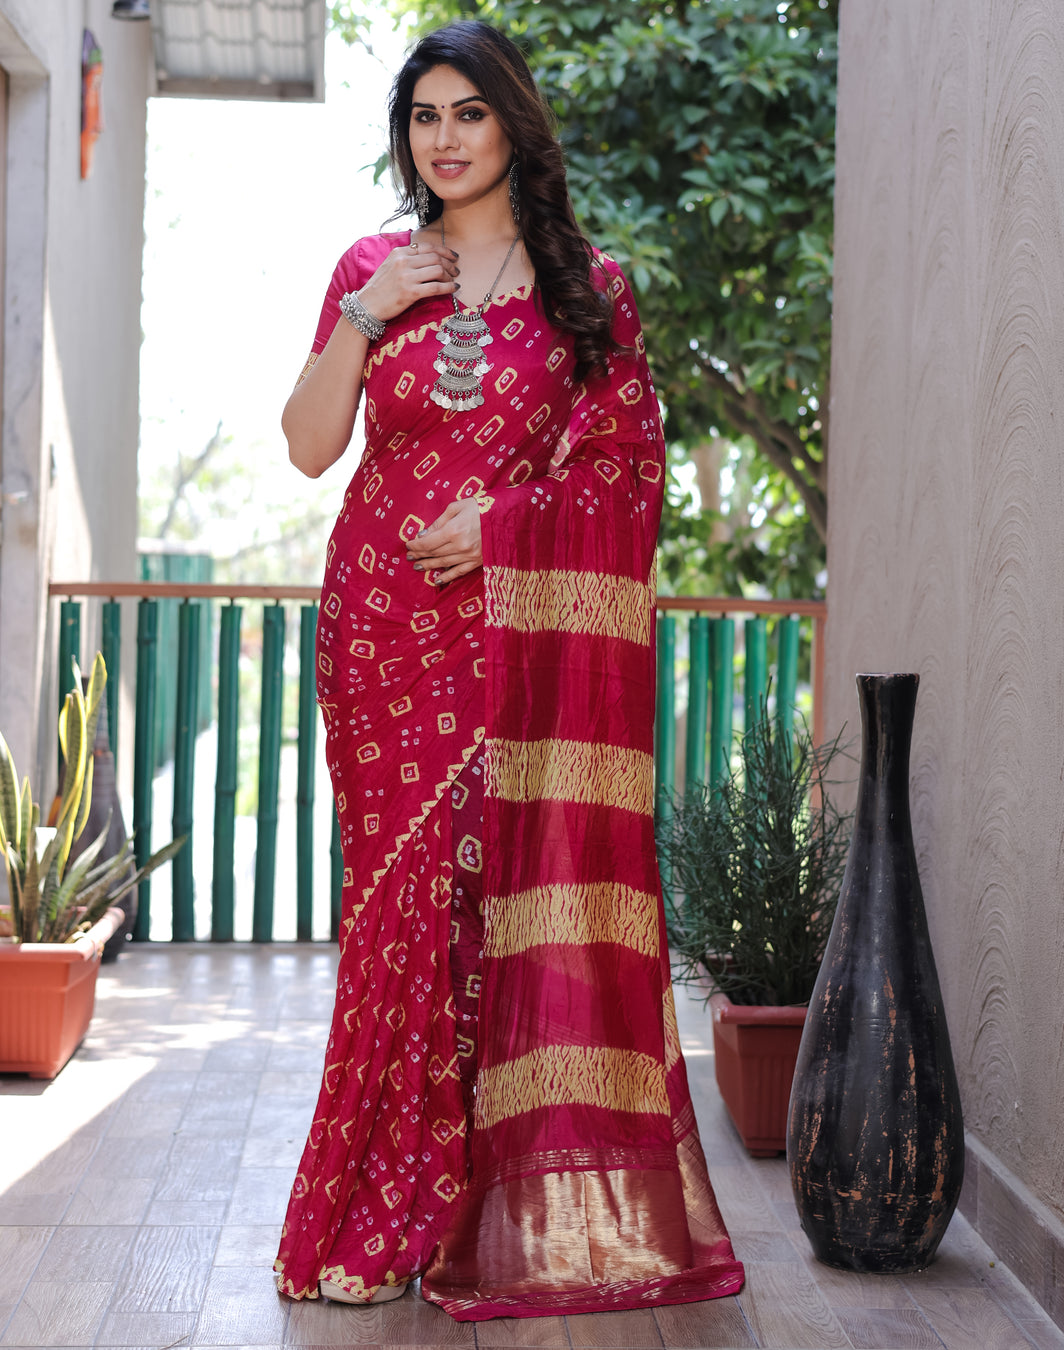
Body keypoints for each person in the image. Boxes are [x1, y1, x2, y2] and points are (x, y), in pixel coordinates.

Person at [274, 20, 744, 1321]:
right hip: (378, 632)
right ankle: (380, 1205)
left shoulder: (588, 286)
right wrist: (373, 313)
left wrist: (501, 523)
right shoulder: (372, 267)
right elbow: (311, 446)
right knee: (394, 914)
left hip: (510, 634)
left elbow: (625, 476)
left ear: (513, 125)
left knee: (491, 903)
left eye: (469, 112)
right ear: (405, 138)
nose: (445, 137)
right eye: (423, 115)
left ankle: (480, 1206)